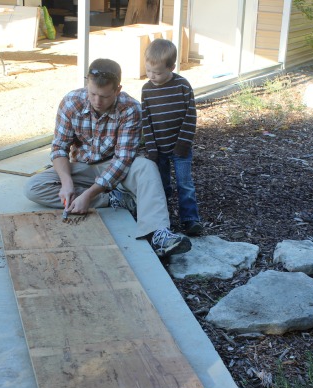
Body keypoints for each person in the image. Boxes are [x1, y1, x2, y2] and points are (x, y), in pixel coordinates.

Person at [25, 58, 191, 259]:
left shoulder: (131, 108)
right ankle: (115, 199)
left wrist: (88, 195)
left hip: (118, 168)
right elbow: (59, 147)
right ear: (87, 83)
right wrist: (67, 183)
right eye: (93, 93)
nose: (97, 101)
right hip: (82, 166)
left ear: (117, 89)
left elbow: (122, 159)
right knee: (33, 187)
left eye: (104, 96)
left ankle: (158, 234)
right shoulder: (70, 102)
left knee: (147, 167)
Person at [141, 38, 203, 236]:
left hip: (180, 148)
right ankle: (163, 219)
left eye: (157, 72)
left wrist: (183, 144)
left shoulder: (183, 86)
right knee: (161, 185)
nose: (152, 76)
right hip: (158, 149)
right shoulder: (147, 90)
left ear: (172, 67)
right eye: (148, 71)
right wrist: (151, 148)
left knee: (184, 183)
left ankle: (190, 219)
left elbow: (190, 116)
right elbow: (146, 120)